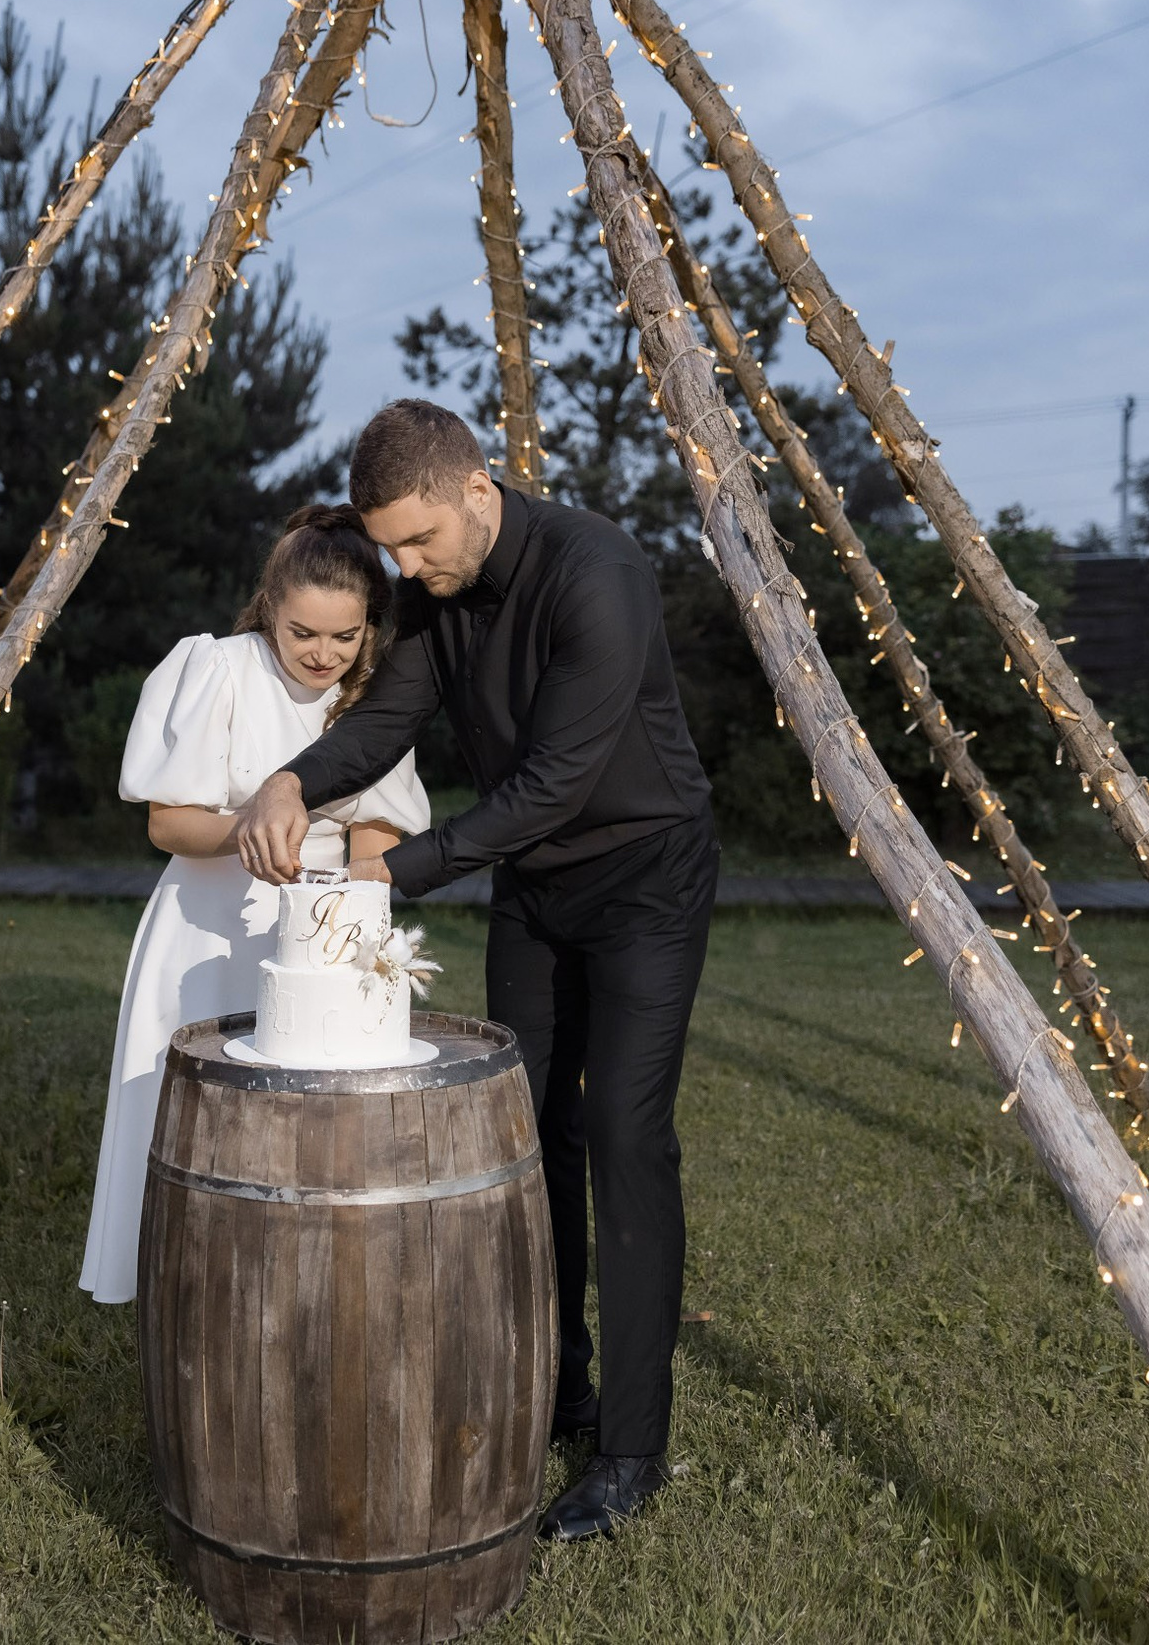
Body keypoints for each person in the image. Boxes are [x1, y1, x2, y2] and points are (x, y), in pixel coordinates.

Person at [231, 399, 718, 1542]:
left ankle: (630, 1448)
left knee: (622, 1134)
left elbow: (552, 781)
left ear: (475, 488)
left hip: (646, 877)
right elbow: (389, 717)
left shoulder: (599, 571)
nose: (402, 567)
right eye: (388, 547)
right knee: (526, 1131)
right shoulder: (437, 596)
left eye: (417, 541)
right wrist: (294, 780)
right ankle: (556, 1387)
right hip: (535, 889)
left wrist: (396, 871)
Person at [77, 506, 430, 1304]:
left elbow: (377, 831)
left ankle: (294, 1286)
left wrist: (352, 925)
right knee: (194, 1110)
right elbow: (166, 820)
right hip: (206, 928)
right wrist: (257, 823)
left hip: (321, 933)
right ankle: (178, 1284)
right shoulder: (220, 668)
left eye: (345, 637)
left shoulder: (372, 696)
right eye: (304, 631)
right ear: (270, 606)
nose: (323, 654)